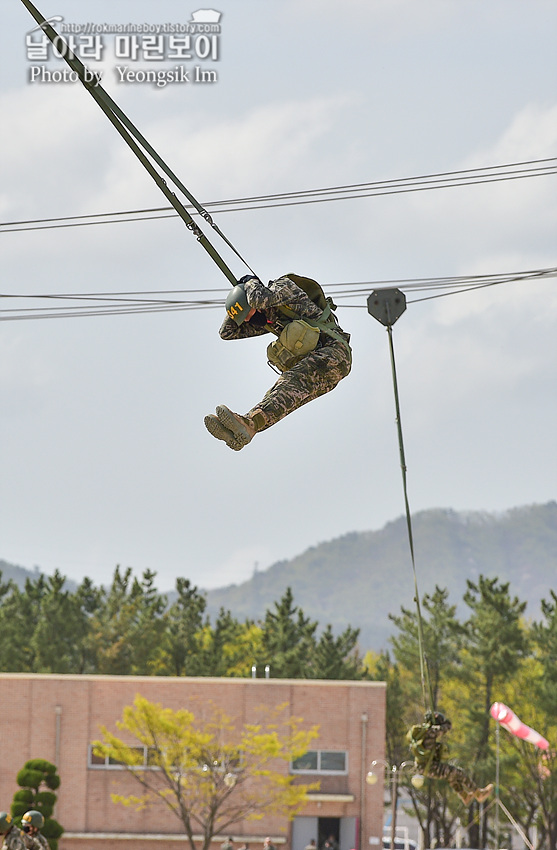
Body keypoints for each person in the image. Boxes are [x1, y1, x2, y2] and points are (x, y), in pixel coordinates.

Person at [204, 273, 351, 450]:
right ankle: (249, 425)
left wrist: (250, 283)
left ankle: (247, 423)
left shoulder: (284, 289)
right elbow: (226, 332)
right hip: (325, 368)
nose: (249, 320)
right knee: (285, 398)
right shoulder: (270, 318)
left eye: (248, 313)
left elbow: (259, 300)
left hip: (334, 353)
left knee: (289, 381)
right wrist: (237, 297)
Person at [407, 712, 493, 805]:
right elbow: (443, 729)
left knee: (451, 776)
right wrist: (447, 724)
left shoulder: (423, 731)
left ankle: (464, 795)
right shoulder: (430, 731)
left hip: (424, 766)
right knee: (458, 772)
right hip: (430, 767)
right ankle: (478, 793)